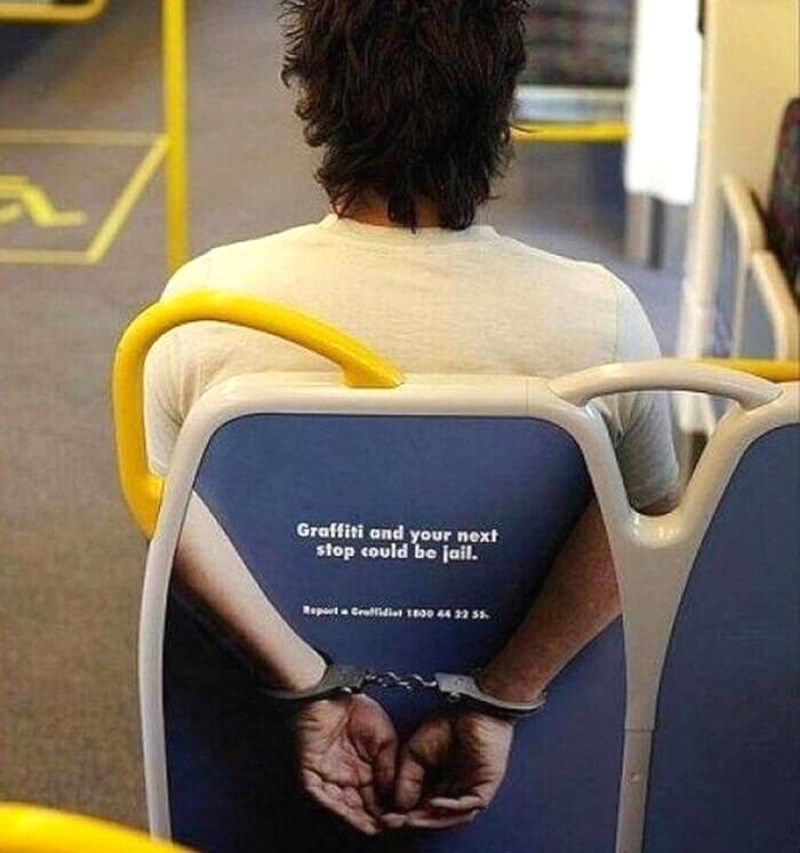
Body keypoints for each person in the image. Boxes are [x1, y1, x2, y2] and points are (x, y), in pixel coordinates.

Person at [144, 0, 679, 838]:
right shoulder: (604, 322)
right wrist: (500, 696)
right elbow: (645, 528)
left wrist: (312, 686)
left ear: (314, 95)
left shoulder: (202, 310)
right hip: (534, 769)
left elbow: (167, 519)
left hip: (252, 759)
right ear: (503, 106)